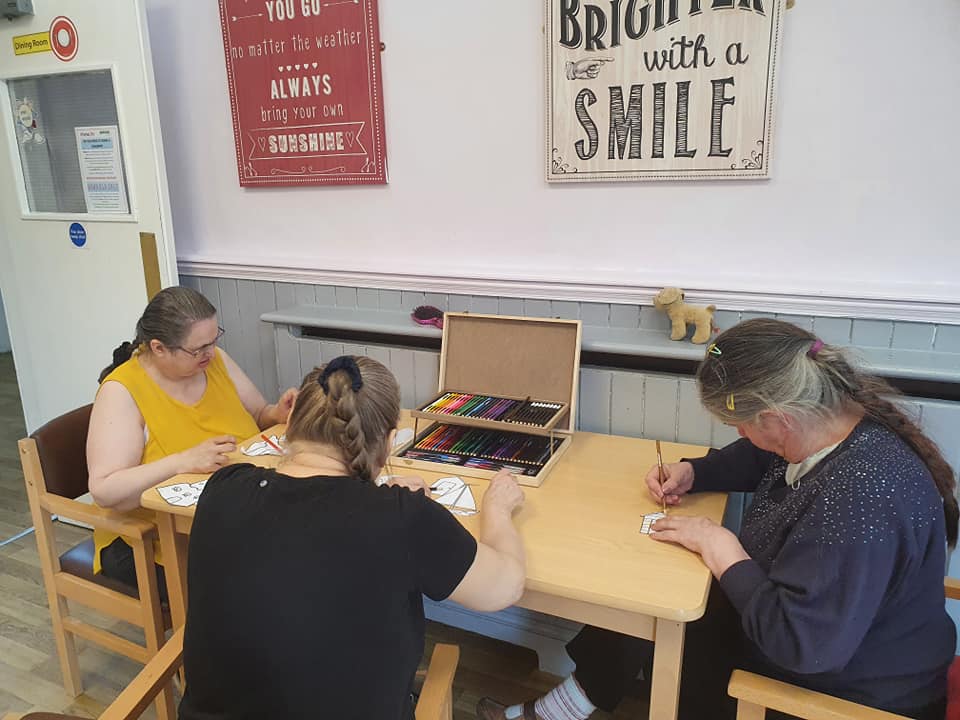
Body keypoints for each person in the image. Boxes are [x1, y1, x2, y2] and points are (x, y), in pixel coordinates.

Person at [479, 318, 957, 720]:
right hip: (823, 636)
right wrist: (695, 472)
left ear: (779, 418)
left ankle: (566, 708)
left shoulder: (859, 499)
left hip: (842, 690)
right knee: (657, 589)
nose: (739, 435)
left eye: (740, 425)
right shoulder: (829, 423)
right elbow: (762, 457)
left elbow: (803, 646)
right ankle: (568, 706)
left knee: (669, 608)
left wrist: (722, 547)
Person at [178, 356, 527, 720]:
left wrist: (381, 496)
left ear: (290, 422)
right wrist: (498, 510)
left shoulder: (224, 488)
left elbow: (309, 514)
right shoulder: (404, 518)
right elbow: (505, 587)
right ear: (389, 443)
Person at [87, 286, 298, 588]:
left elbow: (258, 413)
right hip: (151, 538)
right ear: (158, 348)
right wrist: (184, 461)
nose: (210, 353)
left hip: (230, 514)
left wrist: (277, 413)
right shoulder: (121, 391)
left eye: (213, 341)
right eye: (198, 349)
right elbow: (105, 490)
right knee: (267, 574)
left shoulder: (214, 361)